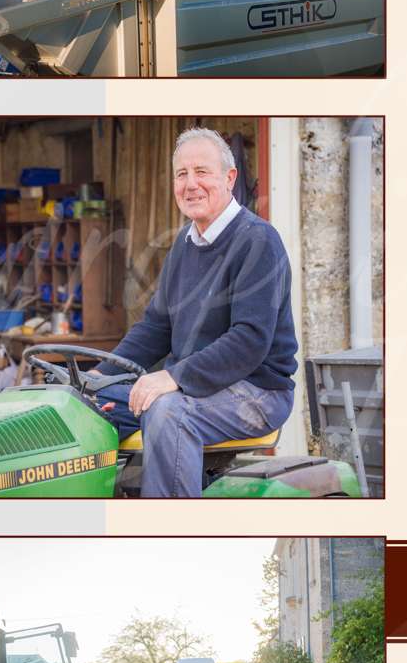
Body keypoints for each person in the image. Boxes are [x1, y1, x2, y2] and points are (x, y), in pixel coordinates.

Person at [102, 127, 298, 497]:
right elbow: (156, 327)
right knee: (94, 407)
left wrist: (173, 377)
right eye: (182, 174)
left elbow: (249, 341)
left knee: (169, 413)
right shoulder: (185, 242)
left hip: (257, 391)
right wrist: (99, 375)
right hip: (195, 385)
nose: (191, 184)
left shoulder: (259, 241)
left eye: (202, 172)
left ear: (230, 178)